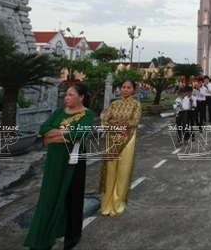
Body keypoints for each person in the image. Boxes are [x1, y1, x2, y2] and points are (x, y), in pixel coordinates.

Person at [24, 83, 95, 250]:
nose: (67, 98)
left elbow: (80, 133)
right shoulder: (57, 112)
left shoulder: (87, 114)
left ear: (81, 97)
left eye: (71, 95)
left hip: (74, 160)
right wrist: (66, 133)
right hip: (54, 161)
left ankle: (72, 237)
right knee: (50, 195)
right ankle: (45, 235)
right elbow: (43, 130)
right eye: (66, 95)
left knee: (73, 197)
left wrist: (55, 134)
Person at [99, 80, 141, 217]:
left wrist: (114, 122)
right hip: (112, 140)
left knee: (123, 170)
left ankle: (118, 203)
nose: (125, 90)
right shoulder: (114, 104)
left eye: (129, 88)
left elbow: (133, 122)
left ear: (133, 90)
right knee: (110, 171)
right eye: (123, 87)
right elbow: (105, 121)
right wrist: (118, 126)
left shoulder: (136, 104)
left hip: (128, 139)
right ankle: (106, 204)